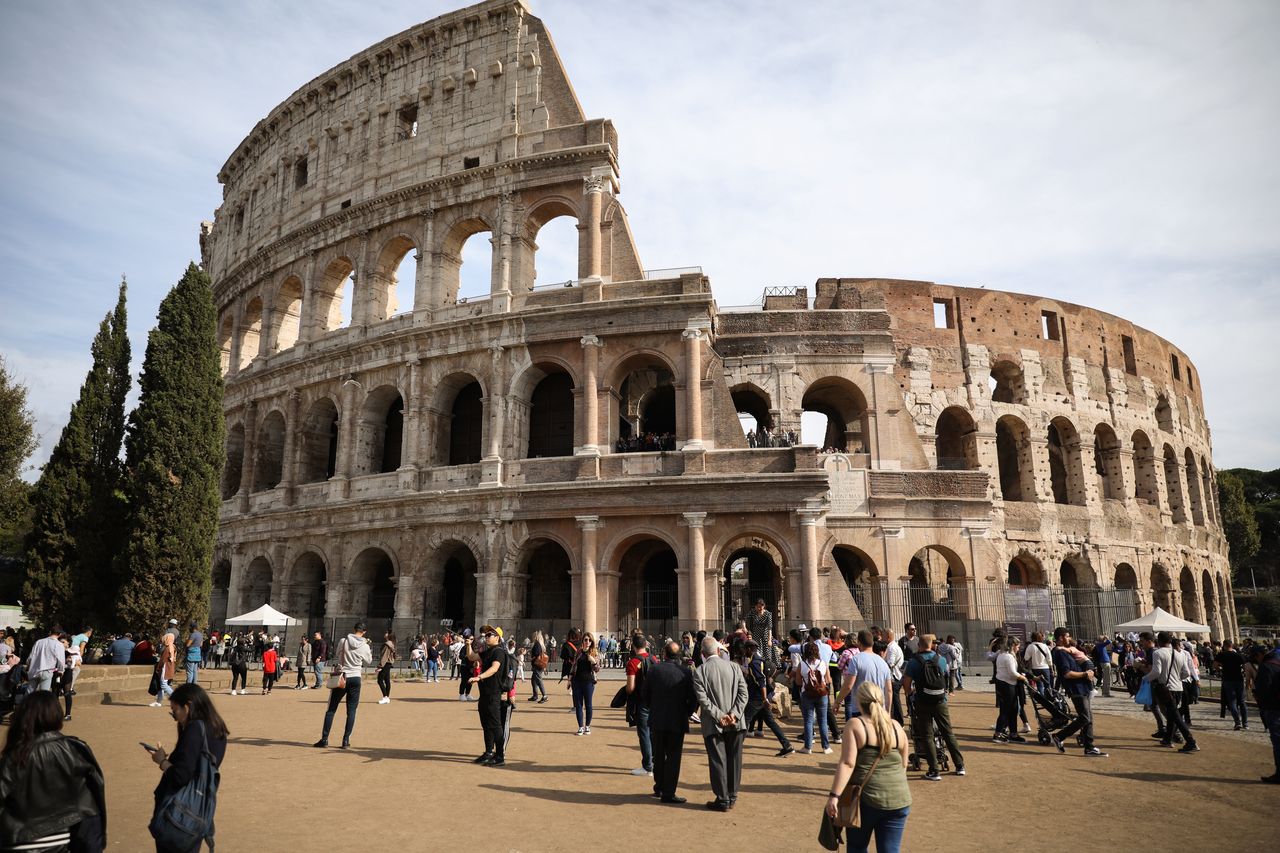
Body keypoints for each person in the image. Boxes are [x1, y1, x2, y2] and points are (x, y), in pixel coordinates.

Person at [0, 691, 106, 851]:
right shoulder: (75, 749)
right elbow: (93, 793)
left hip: (19, 840)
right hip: (62, 839)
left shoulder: (16, 755)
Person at [825, 682, 912, 853]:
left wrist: (834, 796)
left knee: (857, 846)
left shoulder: (855, 725)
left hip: (867, 799)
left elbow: (848, 763)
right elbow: (903, 764)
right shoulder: (896, 727)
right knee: (890, 849)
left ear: (859, 701)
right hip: (899, 798)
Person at [148, 684, 227, 853]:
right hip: (198, 811)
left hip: (179, 813)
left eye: (175, 711)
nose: (175, 718)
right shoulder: (217, 728)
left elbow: (181, 776)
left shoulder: (195, 729)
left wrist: (162, 761)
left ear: (188, 706)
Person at [693, 636, 748, 812]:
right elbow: (743, 694)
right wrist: (734, 714)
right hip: (736, 722)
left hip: (713, 723)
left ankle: (722, 798)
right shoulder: (734, 667)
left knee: (718, 760)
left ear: (702, 654)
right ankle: (732, 795)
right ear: (718, 650)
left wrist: (720, 716)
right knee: (735, 759)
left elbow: (703, 700)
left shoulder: (700, 672)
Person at [900, 633, 964, 781]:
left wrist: (910, 693)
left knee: (927, 735)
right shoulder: (941, 660)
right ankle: (960, 765)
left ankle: (934, 770)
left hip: (922, 700)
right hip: (940, 700)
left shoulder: (914, 662)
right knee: (947, 732)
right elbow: (945, 676)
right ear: (932, 645)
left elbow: (906, 683)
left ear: (919, 645)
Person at [643, 640, 698, 804]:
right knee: (674, 757)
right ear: (678, 655)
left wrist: (653, 707)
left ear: (664, 653)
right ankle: (669, 792)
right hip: (677, 719)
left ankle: (659, 786)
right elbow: (693, 697)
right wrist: (687, 712)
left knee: (659, 754)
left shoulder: (654, 670)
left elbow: (645, 694)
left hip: (657, 718)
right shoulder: (685, 672)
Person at [1049, 628, 1107, 757]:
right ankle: (1059, 736)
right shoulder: (1060, 653)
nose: (1069, 638)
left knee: (1088, 718)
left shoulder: (1065, 651)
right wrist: (1085, 673)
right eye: (1067, 636)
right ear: (1060, 638)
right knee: (1085, 717)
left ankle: (1089, 747)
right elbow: (1067, 674)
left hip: (1082, 686)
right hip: (1076, 688)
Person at [314, 622, 372, 749]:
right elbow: (368, 661)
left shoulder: (343, 641)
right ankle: (346, 740)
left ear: (354, 629)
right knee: (351, 711)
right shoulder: (365, 645)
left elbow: (337, 654)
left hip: (342, 676)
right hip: (356, 677)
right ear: (364, 632)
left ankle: (324, 739)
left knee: (331, 709)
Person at [1143, 631, 1197, 753]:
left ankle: (1191, 741)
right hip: (1178, 687)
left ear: (1159, 641)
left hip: (1166, 688)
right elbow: (1186, 673)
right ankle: (1167, 739)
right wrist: (1177, 678)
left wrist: (1145, 678)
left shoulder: (1158, 653)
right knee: (1172, 714)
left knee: (1176, 716)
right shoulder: (1179, 653)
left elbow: (1156, 672)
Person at [740, 639, 792, 756]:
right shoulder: (759, 660)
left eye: (745, 649)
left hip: (757, 698)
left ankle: (735, 749)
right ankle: (787, 745)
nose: (744, 651)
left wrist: (764, 699)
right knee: (770, 722)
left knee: (744, 721)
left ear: (749, 649)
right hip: (761, 698)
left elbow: (761, 682)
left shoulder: (754, 663)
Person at [467, 625, 511, 766]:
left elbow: (494, 668)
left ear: (497, 637)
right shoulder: (488, 651)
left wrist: (479, 677)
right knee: (486, 724)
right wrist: (468, 644)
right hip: (485, 694)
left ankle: (500, 756)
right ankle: (488, 752)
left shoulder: (499, 652)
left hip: (494, 693)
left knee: (495, 725)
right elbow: (471, 657)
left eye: (489, 635)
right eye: (486, 635)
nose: (486, 637)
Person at [836, 629, 892, 721]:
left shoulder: (856, 660)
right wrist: (888, 711)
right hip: (879, 708)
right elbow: (889, 690)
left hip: (861, 708)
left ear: (859, 642)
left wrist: (837, 702)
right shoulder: (883, 662)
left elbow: (848, 686)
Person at [1249, 644, 1280, 784]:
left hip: (1274, 708)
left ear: (1259, 655)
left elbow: (1264, 690)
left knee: (1277, 741)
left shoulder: (1266, 666)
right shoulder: (1277, 660)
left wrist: (1259, 698)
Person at [795, 640, 832, 754]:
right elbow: (828, 680)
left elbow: (798, 682)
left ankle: (808, 747)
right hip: (822, 694)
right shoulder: (823, 663)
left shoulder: (802, 664)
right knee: (823, 720)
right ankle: (826, 747)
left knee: (808, 721)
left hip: (807, 694)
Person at [626, 634, 654, 777]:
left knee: (644, 734)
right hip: (654, 700)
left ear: (633, 646)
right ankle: (655, 762)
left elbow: (630, 688)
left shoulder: (633, 662)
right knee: (653, 733)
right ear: (646, 645)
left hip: (641, 701)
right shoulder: (654, 659)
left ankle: (647, 766)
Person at [992, 637, 1029, 743]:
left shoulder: (1001, 655)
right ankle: (998, 734)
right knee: (1006, 710)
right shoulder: (1008, 657)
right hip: (1007, 685)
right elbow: (1012, 673)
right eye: (1017, 646)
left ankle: (1013, 733)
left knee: (1013, 710)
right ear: (1012, 646)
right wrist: (1023, 677)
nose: (1018, 649)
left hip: (1005, 684)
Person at [568, 631, 601, 735]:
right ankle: (580, 727)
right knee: (578, 705)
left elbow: (597, 669)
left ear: (592, 642)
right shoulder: (578, 652)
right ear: (582, 641)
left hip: (588, 682)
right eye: (586, 640)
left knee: (588, 704)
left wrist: (593, 661)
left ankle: (587, 726)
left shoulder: (594, 653)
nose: (587, 642)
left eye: (589, 640)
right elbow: (574, 666)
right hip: (577, 681)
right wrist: (569, 679)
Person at [1215, 640, 1248, 730]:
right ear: (1232, 645)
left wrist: (1221, 669)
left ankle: (1237, 722)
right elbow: (1245, 667)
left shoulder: (1221, 655)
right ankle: (1245, 723)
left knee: (1232, 702)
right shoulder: (1238, 655)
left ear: (1224, 646)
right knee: (1242, 702)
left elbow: (1215, 665)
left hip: (1227, 680)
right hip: (1239, 679)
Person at [27, 625, 65, 693]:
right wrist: (61, 670)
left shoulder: (39, 642)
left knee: (29, 692)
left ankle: (26, 700)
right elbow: (61, 660)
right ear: (60, 634)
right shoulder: (58, 644)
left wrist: (28, 666)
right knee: (44, 694)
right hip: (47, 671)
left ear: (50, 632)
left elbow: (31, 657)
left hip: (34, 669)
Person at [150, 633, 178, 707]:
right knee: (160, 684)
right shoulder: (173, 646)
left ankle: (176, 698)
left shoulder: (168, 648)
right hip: (169, 667)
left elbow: (163, 660)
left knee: (163, 684)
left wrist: (158, 668)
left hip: (165, 668)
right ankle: (158, 701)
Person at [377, 632, 396, 704]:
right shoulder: (392, 643)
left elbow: (385, 656)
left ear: (389, 636)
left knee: (380, 680)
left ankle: (385, 697)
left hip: (385, 663)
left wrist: (380, 666)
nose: (385, 634)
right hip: (388, 663)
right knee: (387, 680)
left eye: (387, 633)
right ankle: (387, 697)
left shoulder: (387, 644)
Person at [529, 630, 548, 703]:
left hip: (537, 664)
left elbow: (536, 654)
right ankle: (535, 695)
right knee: (533, 680)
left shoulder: (537, 644)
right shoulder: (541, 644)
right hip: (539, 664)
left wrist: (532, 658)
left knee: (539, 680)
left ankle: (544, 696)